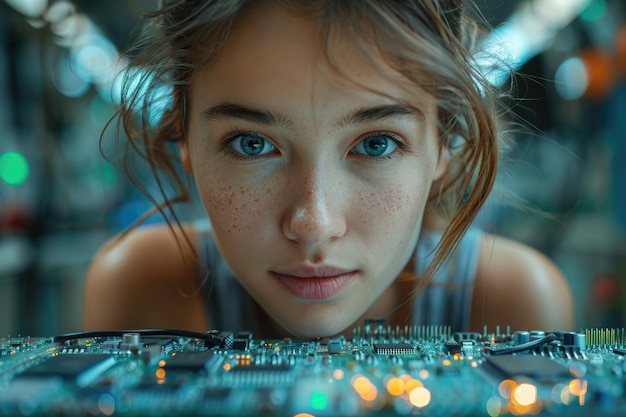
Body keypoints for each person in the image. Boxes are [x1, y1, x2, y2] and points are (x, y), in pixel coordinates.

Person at [83, 0, 573, 339]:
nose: (314, 223)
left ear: (442, 146)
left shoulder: (514, 303)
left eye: (377, 144)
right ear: (184, 142)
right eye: (252, 144)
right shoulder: (140, 289)